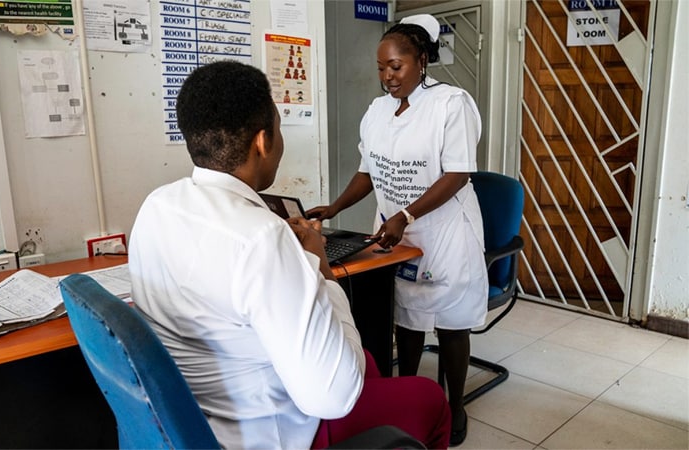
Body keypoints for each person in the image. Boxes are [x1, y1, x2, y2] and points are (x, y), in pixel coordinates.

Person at [128, 61, 451, 449]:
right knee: (429, 398)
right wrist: (320, 269)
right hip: (269, 429)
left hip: (195, 415)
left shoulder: (157, 204)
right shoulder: (262, 236)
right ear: (263, 141)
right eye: (279, 131)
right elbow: (334, 397)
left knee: (368, 359)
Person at [307, 14, 488, 447]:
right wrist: (334, 206)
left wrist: (405, 215)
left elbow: (458, 173)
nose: (388, 77)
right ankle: (409, 394)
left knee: (449, 323)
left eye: (397, 67)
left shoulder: (450, 104)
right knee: (404, 316)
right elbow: (369, 172)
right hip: (395, 233)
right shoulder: (377, 112)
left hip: (444, 233)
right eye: (382, 68)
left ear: (421, 61)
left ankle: (455, 403)